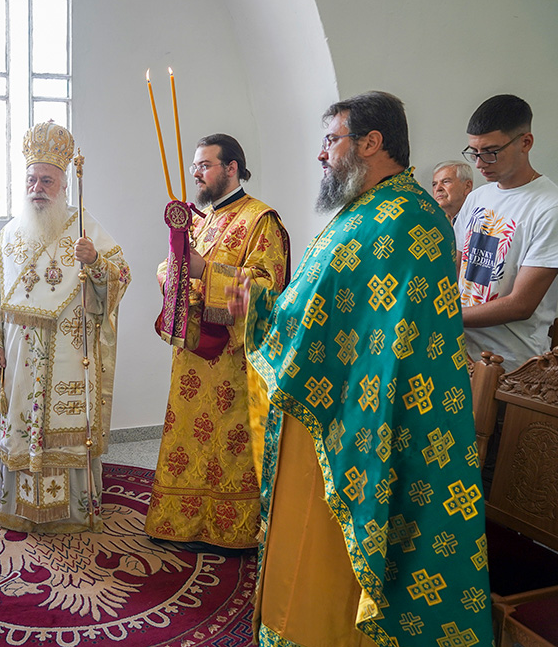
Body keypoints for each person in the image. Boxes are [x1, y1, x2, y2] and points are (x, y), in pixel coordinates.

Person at [231, 92, 491, 645]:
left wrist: (262, 309)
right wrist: (262, 303)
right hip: (328, 403)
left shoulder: (405, 219)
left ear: (371, 143)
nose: (323, 155)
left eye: (332, 140)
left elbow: (365, 328)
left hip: (361, 417)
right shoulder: (367, 209)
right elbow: (318, 303)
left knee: (326, 553)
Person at [0, 121, 131, 533]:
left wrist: (94, 263)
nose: (37, 187)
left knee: (67, 432)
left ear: (63, 185)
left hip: (71, 351)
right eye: (31, 179)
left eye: (47, 180)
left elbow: (121, 275)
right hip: (20, 355)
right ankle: (21, 510)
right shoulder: (7, 235)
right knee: (23, 427)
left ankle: (73, 512)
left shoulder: (84, 226)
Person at [144, 134, 290, 551]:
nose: (196, 173)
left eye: (205, 165)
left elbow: (268, 289)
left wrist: (204, 269)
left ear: (231, 168)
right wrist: (174, 275)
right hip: (192, 360)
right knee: (187, 438)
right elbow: (175, 272)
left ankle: (229, 533)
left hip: (232, 363)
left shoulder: (261, 220)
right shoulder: (202, 220)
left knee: (227, 444)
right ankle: (180, 523)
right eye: (194, 166)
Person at [455, 94, 558, 372]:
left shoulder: (550, 207)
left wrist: (445, 316)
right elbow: (456, 265)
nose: (479, 163)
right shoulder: (478, 198)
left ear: (526, 142)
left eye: (490, 151)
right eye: (474, 152)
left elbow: (520, 305)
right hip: (457, 352)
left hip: (513, 366)